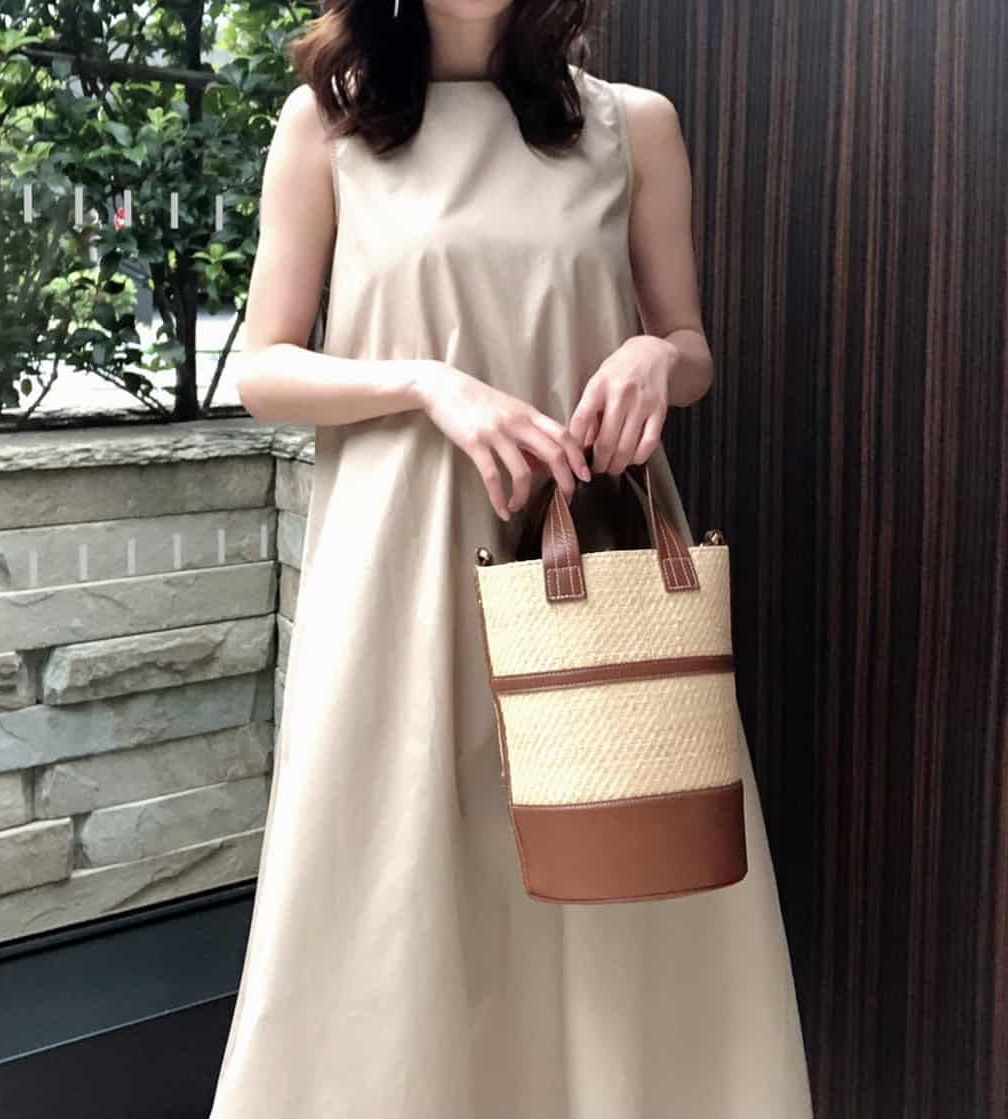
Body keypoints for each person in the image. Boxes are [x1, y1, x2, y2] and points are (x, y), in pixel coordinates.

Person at [208, 1, 814, 1116]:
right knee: (395, 882)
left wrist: (654, 358)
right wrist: (423, 381)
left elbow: (690, 348)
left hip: (591, 567)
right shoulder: (327, 124)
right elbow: (264, 369)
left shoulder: (631, 124)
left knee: (614, 859)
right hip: (399, 561)